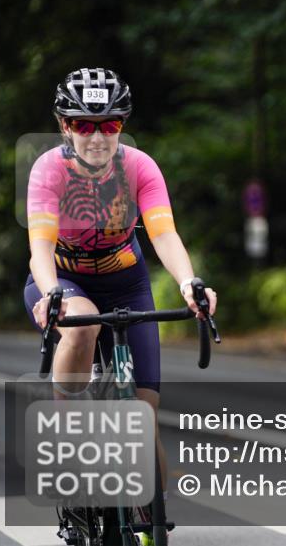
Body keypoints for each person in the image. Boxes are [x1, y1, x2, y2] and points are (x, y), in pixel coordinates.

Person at [24, 67, 217, 506]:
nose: (97, 137)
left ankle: (150, 523)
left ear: (122, 125)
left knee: (143, 420)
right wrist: (51, 292)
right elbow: (41, 245)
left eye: (109, 125)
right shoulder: (49, 170)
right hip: (64, 280)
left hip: (126, 284)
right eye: (83, 125)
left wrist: (189, 283)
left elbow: (163, 234)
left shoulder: (139, 167)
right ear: (65, 126)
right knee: (83, 326)